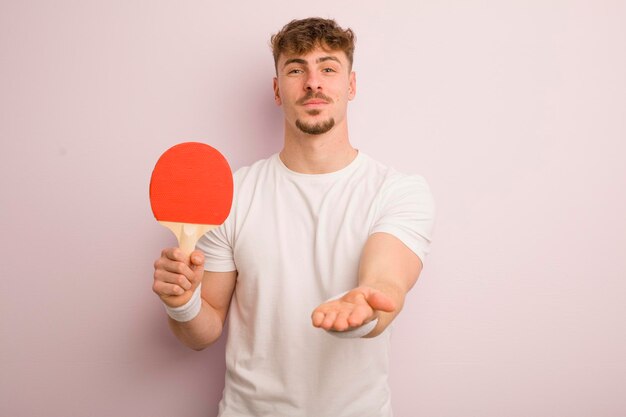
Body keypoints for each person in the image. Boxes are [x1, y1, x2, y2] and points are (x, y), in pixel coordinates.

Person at [152, 17, 435, 417]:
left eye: (329, 68)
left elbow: (386, 283)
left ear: (351, 86)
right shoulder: (233, 194)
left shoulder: (398, 191)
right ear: (277, 89)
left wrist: (363, 309)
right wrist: (181, 303)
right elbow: (203, 331)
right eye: (296, 69)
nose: (313, 82)